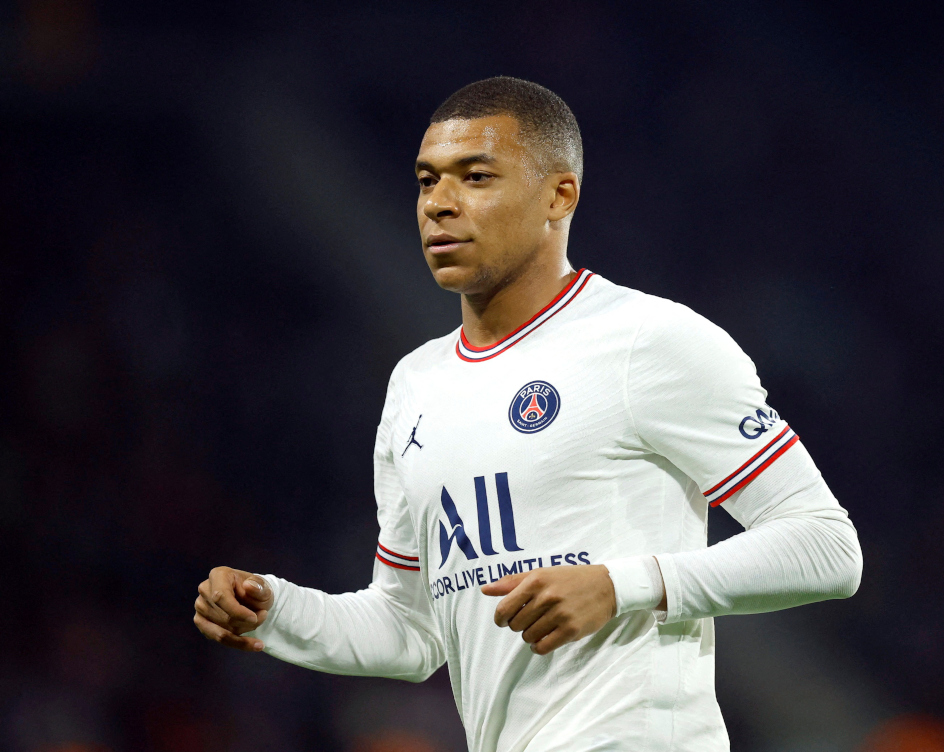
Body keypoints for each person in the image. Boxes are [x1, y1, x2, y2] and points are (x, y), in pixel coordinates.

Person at [193, 76, 863, 751]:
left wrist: (622, 585)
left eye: (475, 177)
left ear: (559, 195)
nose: (439, 204)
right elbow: (411, 628)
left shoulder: (648, 341)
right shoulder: (416, 385)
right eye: (427, 181)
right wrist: (274, 610)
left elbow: (827, 546)